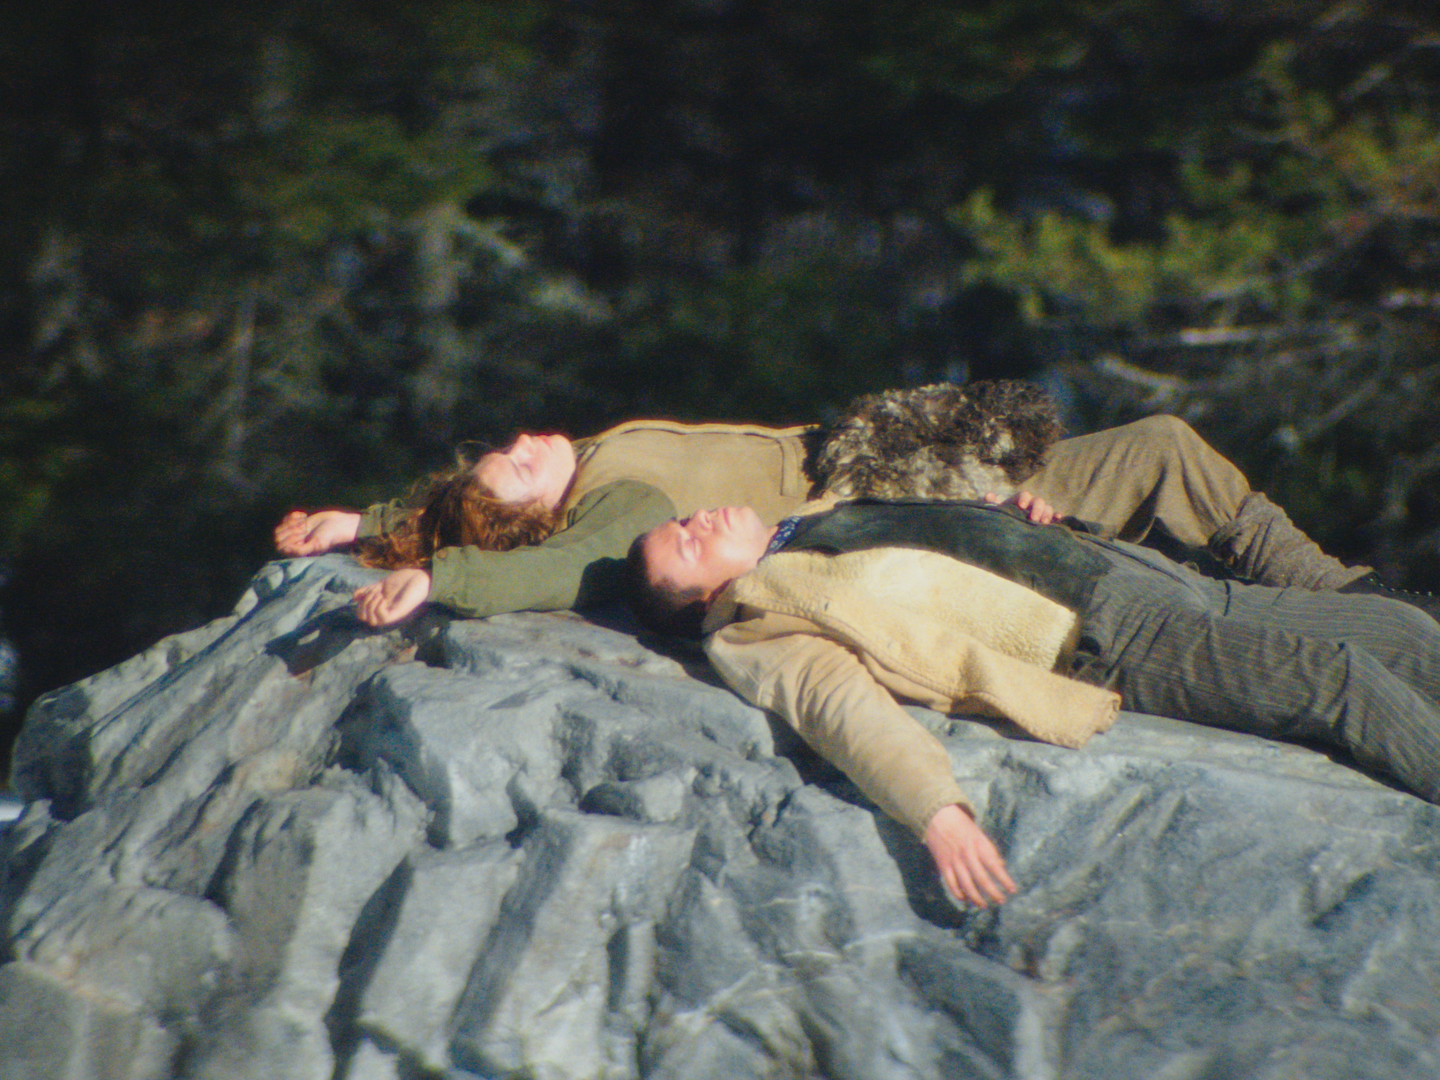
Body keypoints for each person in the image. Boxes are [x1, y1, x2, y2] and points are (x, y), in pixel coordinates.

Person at [630, 496, 1440, 909]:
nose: (699, 518)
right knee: (1338, 682)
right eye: (689, 545)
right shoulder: (758, 619)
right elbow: (838, 708)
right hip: (1115, 636)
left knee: (1404, 633)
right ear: (702, 599)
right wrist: (937, 812)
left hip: (1144, 576)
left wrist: (1023, 516)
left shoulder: (809, 521)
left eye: (682, 519)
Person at [275, 383, 1390, 627]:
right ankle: (1348, 600)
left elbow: (460, 500)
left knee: (1156, 453)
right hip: (914, 504)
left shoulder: (595, 456)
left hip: (902, 457)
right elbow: (548, 566)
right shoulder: (617, 505)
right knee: (1162, 452)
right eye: (519, 470)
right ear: (537, 513)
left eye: (508, 448)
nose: (523, 445)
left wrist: (367, 521)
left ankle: (1338, 599)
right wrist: (440, 577)